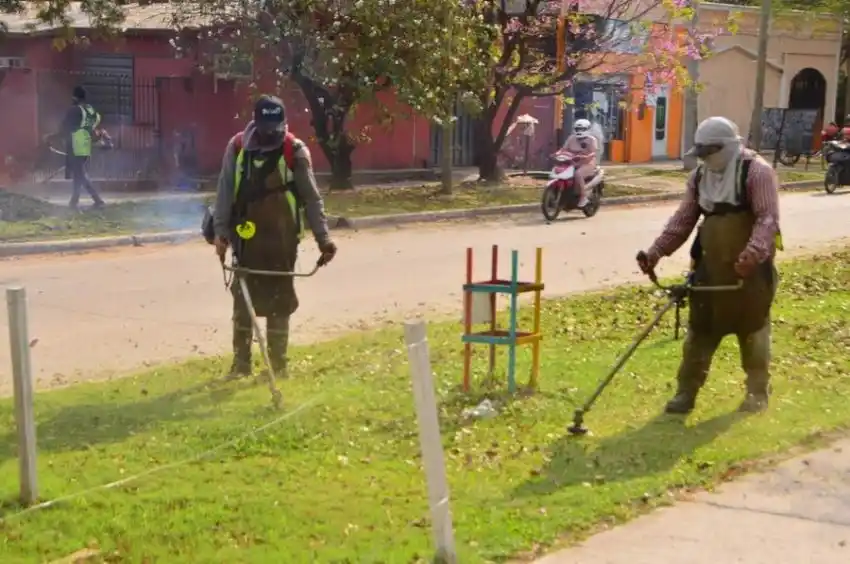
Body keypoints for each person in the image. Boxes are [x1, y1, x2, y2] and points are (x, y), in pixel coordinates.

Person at [636, 116, 781, 415]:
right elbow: (683, 221)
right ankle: (685, 393)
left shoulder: (757, 172)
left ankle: (757, 393)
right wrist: (655, 252)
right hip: (710, 270)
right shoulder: (700, 178)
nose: (704, 159)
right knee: (699, 333)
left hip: (750, 275)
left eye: (708, 152)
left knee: (753, 333)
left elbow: (768, 220)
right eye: (700, 153)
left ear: (727, 147)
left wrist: (752, 254)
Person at [213, 94, 337, 380]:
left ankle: (278, 366)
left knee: (280, 301)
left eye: (275, 126)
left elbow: (312, 199)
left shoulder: (295, 150)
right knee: (243, 301)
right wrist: (220, 233)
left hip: (283, 241)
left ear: (283, 122)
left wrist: (324, 240)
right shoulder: (237, 147)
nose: (271, 132)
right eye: (265, 125)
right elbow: (224, 193)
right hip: (246, 238)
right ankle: (241, 364)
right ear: (256, 122)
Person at [59, 86, 106, 209]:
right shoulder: (90, 111)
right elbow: (95, 123)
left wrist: (51, 137)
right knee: (78, 174)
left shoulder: (74, 110)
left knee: (80, 174)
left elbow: (65, 127)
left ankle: (97, 199)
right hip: (86, 145)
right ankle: (74, 201)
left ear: (75, 97)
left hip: (75, 145)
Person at [560, 118, 599, 208]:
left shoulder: (592, 139)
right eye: (578, 129)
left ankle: (583, 197)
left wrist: (586, 156)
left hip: (588, 163)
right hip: (572, 162)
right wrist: (557, 153)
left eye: (582, 129)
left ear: (588, 129)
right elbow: (564, 149)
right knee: (562, 172)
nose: (579, 131)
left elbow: (593, 153)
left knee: (578, 174)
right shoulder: (571, 138)